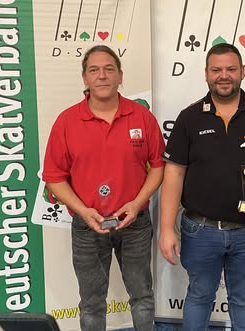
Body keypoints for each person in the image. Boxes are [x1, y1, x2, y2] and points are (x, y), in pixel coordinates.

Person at [158, 43, 245, 331]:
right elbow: (174, 173)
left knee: (244, 299)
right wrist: (166, 228)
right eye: (216, 70)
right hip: (200, 230)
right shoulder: (190, 117)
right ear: (206, 74)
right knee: (199, 296)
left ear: (243, 72)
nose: (224, 76)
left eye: (231, 69)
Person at [42, 45, 165, 331]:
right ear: (84, 78)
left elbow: (159, 166)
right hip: (87, 226)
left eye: (109, 69)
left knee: (142, 297)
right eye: (94, 70)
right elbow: (54, 178)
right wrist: (83, 211)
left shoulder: (142, 117)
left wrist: (137, 204)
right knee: (91, 302)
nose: (102, 76)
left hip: (134, 223)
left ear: (120, 76)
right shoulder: (66, 121)